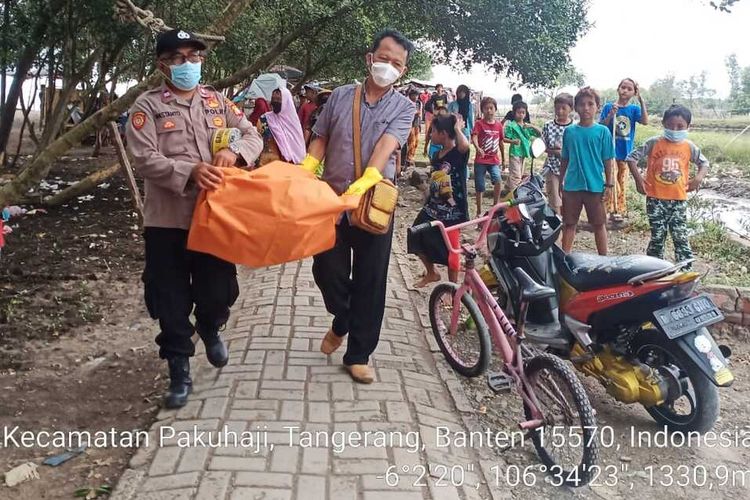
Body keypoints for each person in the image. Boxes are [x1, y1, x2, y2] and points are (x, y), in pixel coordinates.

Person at [126, 29, 262, 409]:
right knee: (169, 299)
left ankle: (210, 324)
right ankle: (179, 370)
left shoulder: (218, 102)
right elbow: (144, 157)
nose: (188, 64)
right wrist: (190, 171)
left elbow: (253, 135)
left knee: (218, 291)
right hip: (167, 221)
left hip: (215, 218)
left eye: (194, 57)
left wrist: (233, 152)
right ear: (162, 65)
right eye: (178, 58)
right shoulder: (147, 107)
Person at [299, 29, 415, 384]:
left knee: (371, 278)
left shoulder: (405, 107)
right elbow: (321, 139)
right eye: (384, 58)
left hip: (373, 201)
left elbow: (386, 148)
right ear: (369, 58)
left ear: (403, 71)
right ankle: (343, 318)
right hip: (331, 199)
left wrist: (363, 183)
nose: (388, 66)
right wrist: (304, 171)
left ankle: (358, 354)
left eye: (397, 63)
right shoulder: (339, 97)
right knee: (326, 270)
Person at [626, 105, 708, 268]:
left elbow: (704, 163)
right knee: (658, 236)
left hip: (678, 200)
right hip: (655, 199)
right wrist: (638, 179)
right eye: (670, 125)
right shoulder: (654, 142)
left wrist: (698, 178)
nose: (675, 129)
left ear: (688, 127)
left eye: (680, 127)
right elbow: (631, 158)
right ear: (663, 124)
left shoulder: (688, 146)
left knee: (680, 236)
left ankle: (686, 271)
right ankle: (653, 269)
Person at [408, 114, 470, 287]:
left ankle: (452, 288)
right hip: (432, 208)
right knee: (415, 235)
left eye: (434, 131)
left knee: (452, 251)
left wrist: (457, 128)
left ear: (443, 133)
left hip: (452, 212)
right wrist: (425, 193)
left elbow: (465, 145)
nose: (430, 134)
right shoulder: (436, 155)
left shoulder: (458, 154)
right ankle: (431, 273)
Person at [559, 87, 615, 255]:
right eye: (582, 104)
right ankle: (565, 259)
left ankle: (604, 260)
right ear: (576, 108)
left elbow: (608, 160)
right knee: (569, 224)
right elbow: (565, 158)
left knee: (599, 224)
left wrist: (609, 184)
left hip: (595, 186)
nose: (586, 108)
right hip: (572, 186)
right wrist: (561, 181)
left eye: (590, 104)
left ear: (597, 107)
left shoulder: (603, 132)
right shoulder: (569, 132)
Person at [599, 78, 649, 222]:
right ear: (618, 89)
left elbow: (645, 121)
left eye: (629, 89)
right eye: (623, 87)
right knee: (612, 180)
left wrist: (641, 100)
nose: (625, 91)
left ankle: (619, 210)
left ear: (634, 92)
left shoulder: (634, 109)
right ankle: (611, 210)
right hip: (610, 152)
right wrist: (610, 115)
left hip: (626, 153)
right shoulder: (609, 107)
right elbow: (601, 126)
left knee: (622, 182)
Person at [542, 93, 575, 214]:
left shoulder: (575, 127)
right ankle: (557, 223)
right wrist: (554, 152)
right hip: (552, 167)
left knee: (569, 197)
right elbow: (543, 146)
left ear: (571, 109)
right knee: (554, 198)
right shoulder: (548, 126)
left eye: (564, 108)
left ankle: (568, 222)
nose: (560, 111)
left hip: (571, 169)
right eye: (557, 108)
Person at [471, 96, 505, 215]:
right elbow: (474, 136)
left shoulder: (499, 125)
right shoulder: (479, 124)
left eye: (491, 108)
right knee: (480, 187)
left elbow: (501, 141)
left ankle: (495, 207)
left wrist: (504, 159)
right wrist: (477, 147)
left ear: (495, 109)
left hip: (494, 160)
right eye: (486, 108)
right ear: (482, 110)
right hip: (481, 160)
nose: (489, 111)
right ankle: (479, 212)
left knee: (498, 180)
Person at [256, 87, 306, 166]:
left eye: (278, 99)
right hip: (267, 163)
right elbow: (258, 138)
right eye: (273, 99)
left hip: (291, 166)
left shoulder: (293, 122)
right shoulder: (264, 118)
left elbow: (298, 146)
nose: (275, 101)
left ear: (286, 102)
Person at [503, 100, 541, 193]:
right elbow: (504, 138)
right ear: (514, 113)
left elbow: (539, 133)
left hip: (524, 152)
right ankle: (515, 194)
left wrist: (531, 126)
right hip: (515, 152)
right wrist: (512, 141)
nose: (521, 115)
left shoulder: (526, 126)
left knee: (518, 172)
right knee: (516, 176)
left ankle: (507, 188)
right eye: (518, 112)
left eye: (523, 113)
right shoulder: (511, 125)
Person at [405, 88, 422, 166]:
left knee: (417, 141)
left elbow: (420, 113)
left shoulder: (419, 103)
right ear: (410, 95)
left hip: (417, 123)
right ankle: (409, 158)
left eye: (417, 95)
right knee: (412, 141)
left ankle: (412, 156)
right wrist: (416, 113)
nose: (416, 97)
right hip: (410, 124)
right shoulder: (407, 102)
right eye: (414, 95)